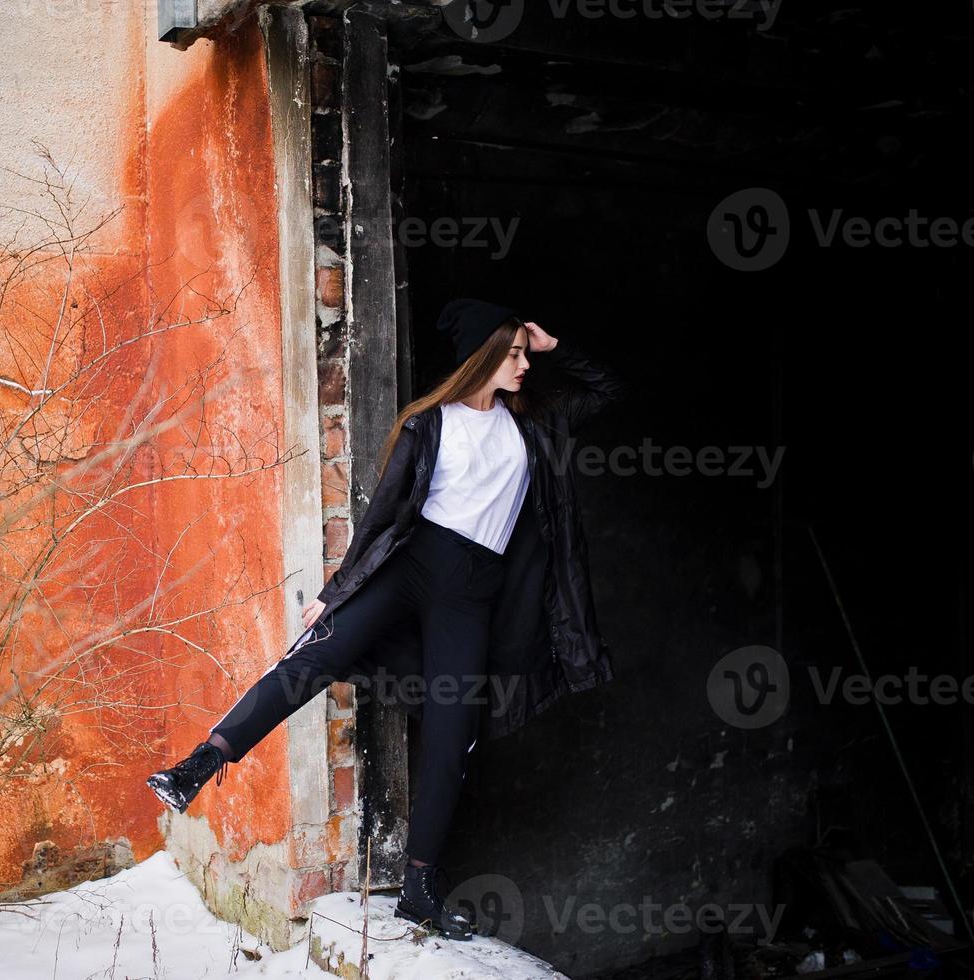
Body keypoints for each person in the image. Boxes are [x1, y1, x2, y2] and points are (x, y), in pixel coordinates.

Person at [146, 296, 628, 940]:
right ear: (479, 357)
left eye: (521, 353)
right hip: (413, 568)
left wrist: (549, 345)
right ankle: (201, 764)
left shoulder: (534, 420)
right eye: (510, 354)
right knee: (315, 655)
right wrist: (339, 590)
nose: (521, 365)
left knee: (452, 733)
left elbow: (608, 390)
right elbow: (383, 519)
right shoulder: (430, 424)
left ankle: (420, 889)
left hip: (474, 593)